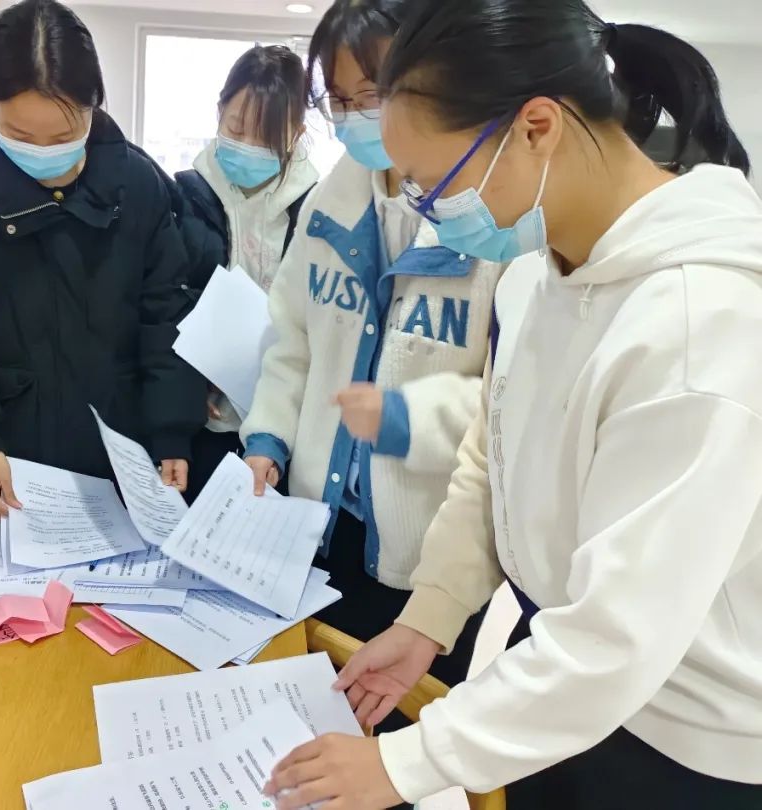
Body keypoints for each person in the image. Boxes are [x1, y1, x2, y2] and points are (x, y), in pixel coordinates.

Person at [264, 1, 762, 809]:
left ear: (536, 128)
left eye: (435, 187)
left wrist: (403, 764)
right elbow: (490, 459)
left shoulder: (698, 327)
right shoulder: (536, 275)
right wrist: (430, 616)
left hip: (683, 736)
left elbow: (620, 636)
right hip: (560, 677)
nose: (427, 212)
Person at [239, 0, 503, 683]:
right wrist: (268, 437)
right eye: (341, 99)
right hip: (316, 528)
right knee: (301, 706)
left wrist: (405, 417)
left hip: (426, 551)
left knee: (391, 727)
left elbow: (507, 407)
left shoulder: (490, 224)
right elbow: (293, 339)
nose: (359, 117)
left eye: (375, 93)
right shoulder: (331, 203)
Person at [0, 0, 203, 517]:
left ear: (94, 107)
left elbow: (167, 314)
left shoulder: (137, 185)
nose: (43, 152)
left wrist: (172, 431)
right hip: (7, 458)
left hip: (123, 452)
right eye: (19, 135)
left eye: (62, 137)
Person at [174, 44, 319, 500]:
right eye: (237, 128)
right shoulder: (182, 198)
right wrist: (182, 389)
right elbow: (159, 303)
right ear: (219, 111)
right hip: (197, 422)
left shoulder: (317, 211)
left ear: (296, 132)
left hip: (286, 432)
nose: (249, 146)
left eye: (267, 136)